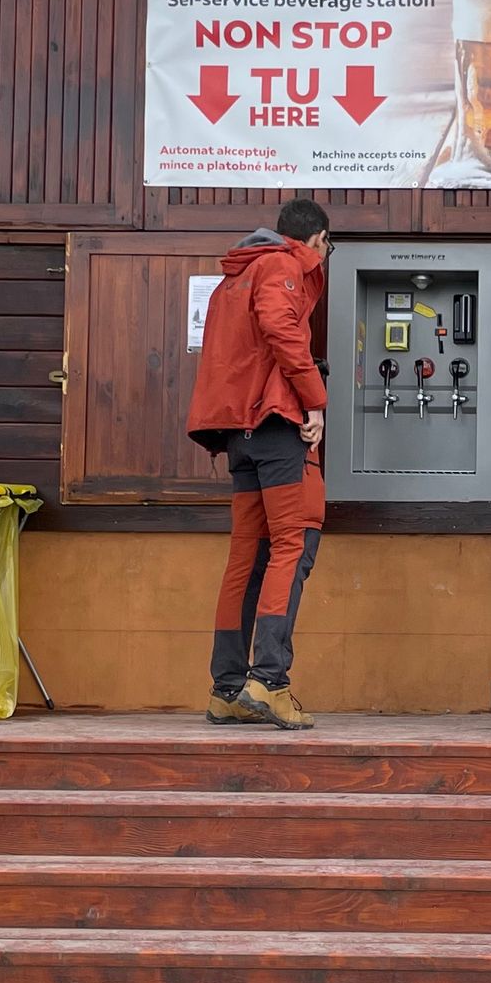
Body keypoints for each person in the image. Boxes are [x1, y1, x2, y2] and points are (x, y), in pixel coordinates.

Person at [186, 197, 332, 730]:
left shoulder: (236, 276)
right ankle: (269, 682)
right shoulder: (282, 266)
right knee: (294, 543)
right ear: (315, 238)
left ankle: (227, 689)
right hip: (275, 428)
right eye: (327, 247)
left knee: (246, 556)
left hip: (240, 432)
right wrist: (314, 399)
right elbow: (282, 328)